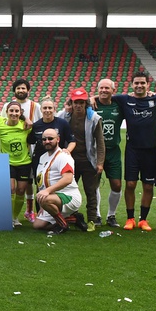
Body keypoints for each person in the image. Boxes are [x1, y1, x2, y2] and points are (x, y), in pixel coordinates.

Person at [110, 72, 156, 231]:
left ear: (148, 85)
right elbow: (103, 96)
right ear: (132, 85)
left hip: (151, 150)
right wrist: (92, 99)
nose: (139, 86)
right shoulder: (124, 99)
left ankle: (144, 220)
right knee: (131, 184)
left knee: (148, 186)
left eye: (142, 83)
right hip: (132, 150)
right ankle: (130, 218)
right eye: (136, 83)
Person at [60, 88, 105, 231]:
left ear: (86, 103)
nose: (78, 105)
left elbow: (100, 142)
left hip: (88, 160)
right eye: (75, 102)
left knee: (90, 191)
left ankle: (92, 220)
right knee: (68, 190)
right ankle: (71, 217)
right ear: (71, 103)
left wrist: (100, 162)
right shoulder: (65, 117)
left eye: (81, 102)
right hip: (70, 161)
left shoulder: (94, 118)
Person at [33, 127, 86, 233]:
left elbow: (68, 179)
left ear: (58, 139)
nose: (47, 141)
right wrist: (44, 206)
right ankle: (74, 219)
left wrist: (47, 193)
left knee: (44, 199)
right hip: (52, 198)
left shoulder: (63, 156)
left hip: (69, 196)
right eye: (44, 139)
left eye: (50, 138)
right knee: (37, 225)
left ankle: (63, 225)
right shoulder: (43, 157)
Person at [92, 78, 125, 227]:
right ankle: (97, 215)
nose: (104, 90)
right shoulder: (91, 104)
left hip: (113, 151)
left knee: (116, 185)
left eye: (107, 88)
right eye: (101, 88)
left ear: (113, 90)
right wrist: (90, 98)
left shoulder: (119, 105)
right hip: (95, 151)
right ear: (97, 89)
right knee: (95, 184)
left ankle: (111, 215)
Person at [0, 102, 33, 226]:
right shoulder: (0, 126)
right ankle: (7, 216)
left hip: (24, 163)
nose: (14, 113)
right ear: (6, 112)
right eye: (11, 111)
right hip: (8, 162)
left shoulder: (26, 126)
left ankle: (15, 217)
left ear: (20, 113)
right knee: (11, 189)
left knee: (21, 190)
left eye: (16, 111)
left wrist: (27, 119)